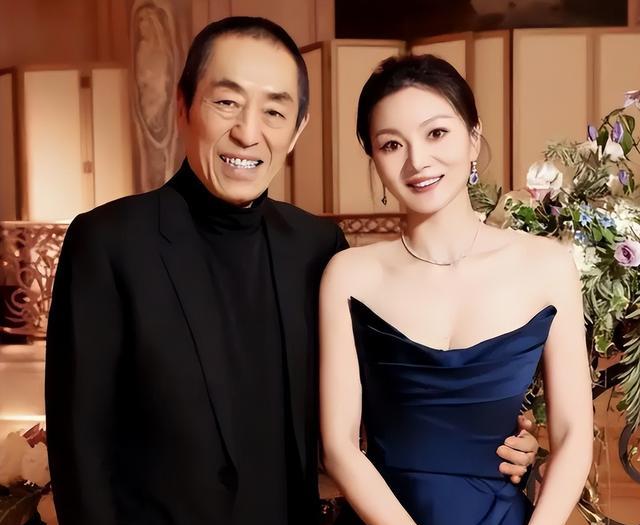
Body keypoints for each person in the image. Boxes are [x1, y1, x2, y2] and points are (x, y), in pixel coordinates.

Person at [45, 18, 540, 525]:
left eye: (274, 111)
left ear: (298, 129)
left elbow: (390, 407)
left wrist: (496, 438)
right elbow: (79, 449)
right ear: (183, 106)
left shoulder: (317, 249)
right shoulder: (109, 242)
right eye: (226, 102)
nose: (248, 132)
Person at [319, 54, 593, 525]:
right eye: (391, 144)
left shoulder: (547, 266)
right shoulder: (349, 275)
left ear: (473, 137)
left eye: (436, 133)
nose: (417, 161)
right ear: (375, 159)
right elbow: (339, 448)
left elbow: (573, 437)